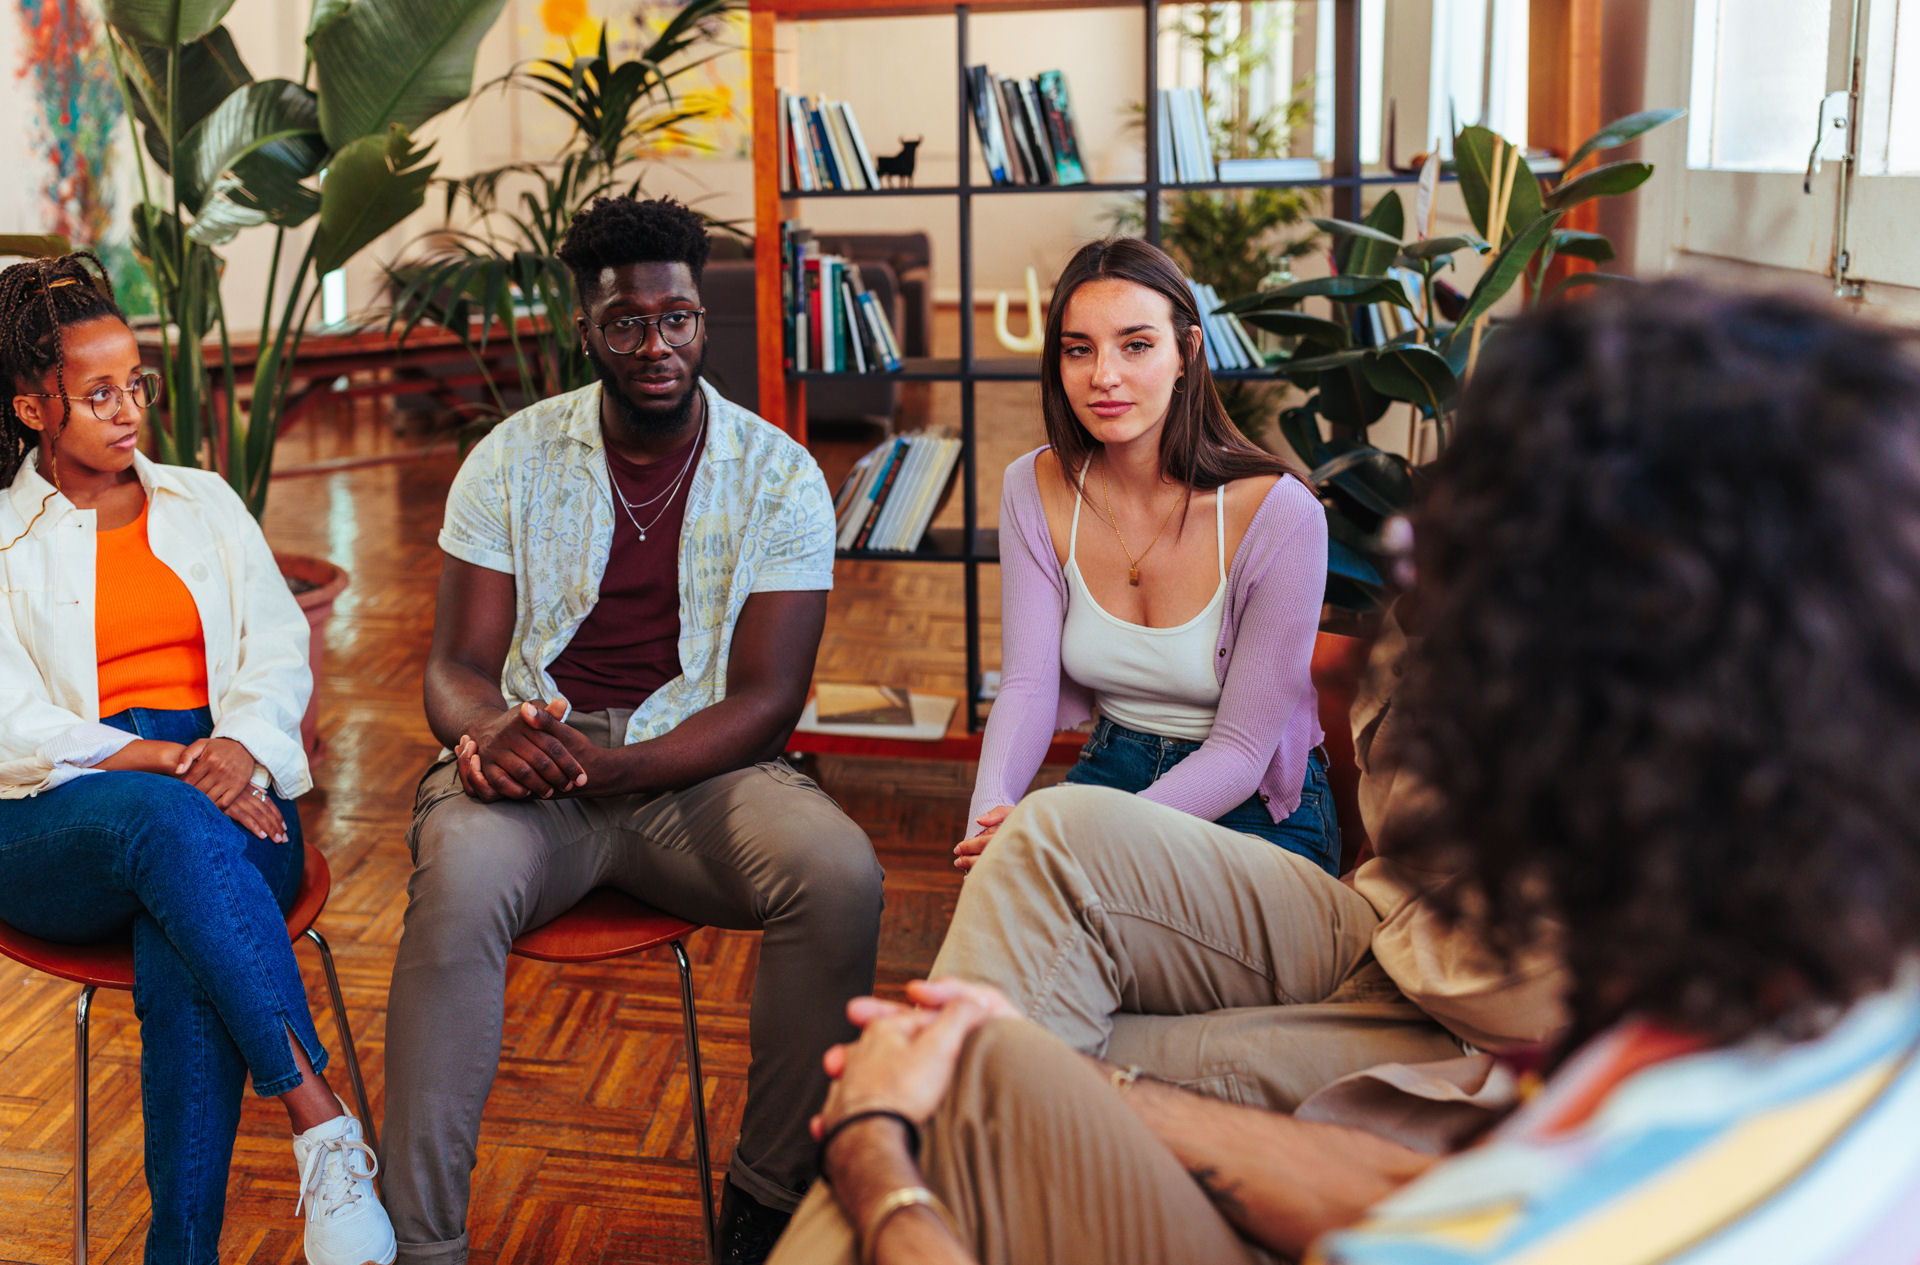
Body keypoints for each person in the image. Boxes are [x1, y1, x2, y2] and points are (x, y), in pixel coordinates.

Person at [767, 280, 1920, 1264]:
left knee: (969, 1084)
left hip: (1431, 1006)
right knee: (1034, 902)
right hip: (1385, 944)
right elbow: (1034, 687)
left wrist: (874, 1145)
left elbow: (1269, 760)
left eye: (1459, 587)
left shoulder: (1593, 1200)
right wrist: (1040, 1042)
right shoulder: (1808, 977)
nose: (1405, 602)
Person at [380, 195, 883, 1265]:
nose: (657, 346)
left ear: (705, 321)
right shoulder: (510, 459)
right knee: (458, 883)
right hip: (536, 775)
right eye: (627, 325)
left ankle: (766, 1197)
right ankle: (421, 1244)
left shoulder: (779, 473)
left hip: (695, 765)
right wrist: (488, 731)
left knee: (838, 870)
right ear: (588, 329)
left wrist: (620, 766)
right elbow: (456, 666)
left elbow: (767, 699)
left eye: (679, 320)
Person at [0, 253, 393, 1265]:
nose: (128, 410)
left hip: (233, 782)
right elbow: (10, 724)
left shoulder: (205, 500)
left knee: (185, 940)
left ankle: (180, 1252)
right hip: (57, 814)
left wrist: (236, 747)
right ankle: (319, 1114)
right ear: (33, 408)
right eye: (96, 394)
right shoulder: (1, 538)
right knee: (169, 825)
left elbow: (276, 646)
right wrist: (169, 763)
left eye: (136, 383)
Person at [959, 238, 1339, 878]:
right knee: (1009, 898)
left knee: (1105, 929)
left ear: (1187, 353)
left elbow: (1243, 751)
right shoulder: (1034, 486)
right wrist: (985, 827)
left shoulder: (1279, 513)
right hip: (1111, 770)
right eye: (1079, 350)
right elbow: (1026, 686)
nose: (1103, 375)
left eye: (1136, 345)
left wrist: (1078, 839)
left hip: (1252, 811)